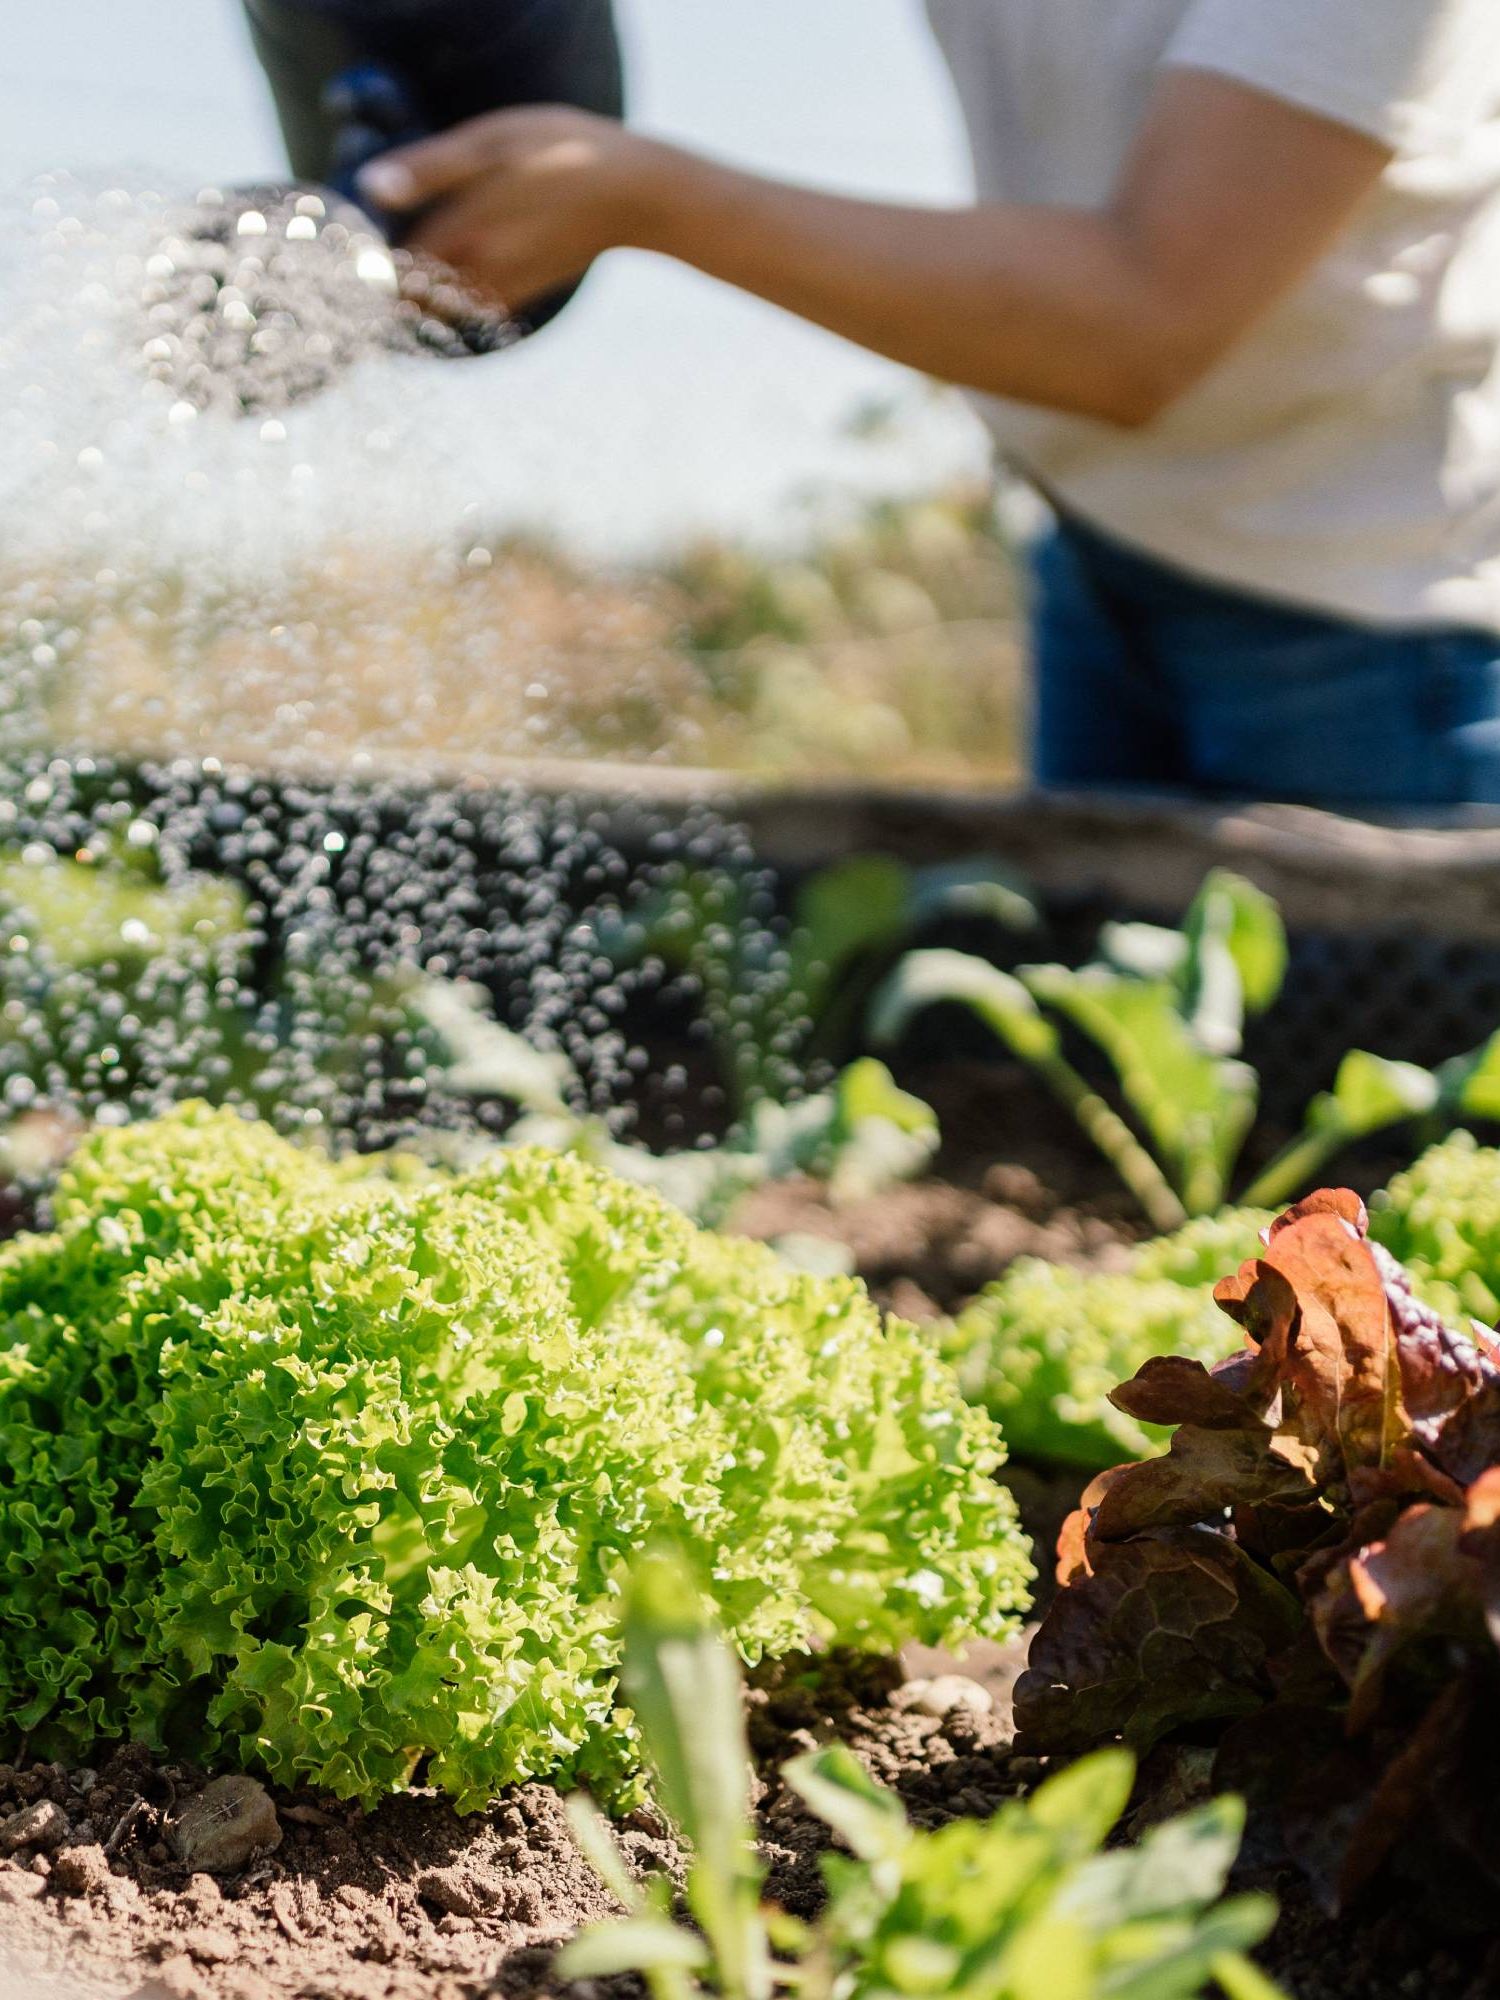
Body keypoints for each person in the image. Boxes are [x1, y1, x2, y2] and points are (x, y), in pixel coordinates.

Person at [256, 1, 1500, 808]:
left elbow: (1148, 323)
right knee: (1137, 1128)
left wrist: (643, 199)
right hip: (1097, 548)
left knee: (1386, 1150)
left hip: (1381, 615)